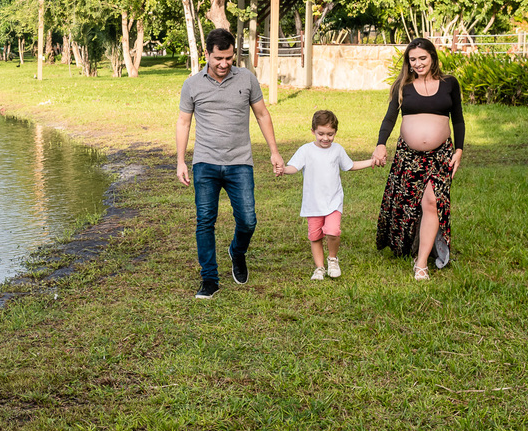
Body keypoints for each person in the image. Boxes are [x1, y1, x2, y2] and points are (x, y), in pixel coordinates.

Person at [176, 28, 284, 299]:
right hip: (205, 163)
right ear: (207, 54)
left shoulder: (246, 78)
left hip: (240, 162)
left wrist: (274, 152)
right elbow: (183, 122)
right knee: (205, 221)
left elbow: (262, 115)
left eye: (229, 58)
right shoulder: (192, 85)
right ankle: (209, 279)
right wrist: (180, 161)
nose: (224, 64)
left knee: (248, 220)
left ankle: (237, 251)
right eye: (218, 58)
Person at [371, 38, 464, 281]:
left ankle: (421, 263)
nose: (418, 63)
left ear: (432, 57)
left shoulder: (449, 83)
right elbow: (390, 118)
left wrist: (459, 150)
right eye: (413, 59)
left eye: (422, 58)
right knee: (408, 204)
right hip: (408, 155)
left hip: (441, 154)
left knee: (432, 202)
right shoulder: (402, 85)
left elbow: (458, 118)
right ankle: (411, 244)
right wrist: (381, 144)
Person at [279, 110, 375, 280]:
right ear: (313, 131)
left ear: (335, 132)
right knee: (315, 236)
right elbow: (294, 167)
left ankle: (332, 259)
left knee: (333, 231)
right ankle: (319, 268)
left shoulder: (337, 150)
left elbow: (350, 165)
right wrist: (283, 170)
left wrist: (371, 162)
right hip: (313, 203)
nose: (325, 138)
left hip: (333, 201)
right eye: (321, 134)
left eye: (330, 134)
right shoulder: (305, 150)